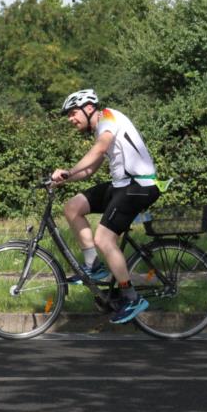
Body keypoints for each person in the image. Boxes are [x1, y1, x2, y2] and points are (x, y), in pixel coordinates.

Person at [51, 89, 161, 324]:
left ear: (89, 108)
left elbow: (100, 149)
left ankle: (131, 297)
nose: (71, 119)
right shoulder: (103, 127)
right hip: (122, 185)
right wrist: (62, 180)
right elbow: (90, 169)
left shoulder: (109, 118)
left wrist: (68, 170)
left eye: (73, 113)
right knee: (72, 207)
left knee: (104, 239)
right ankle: (94, 266)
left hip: (139, 186)